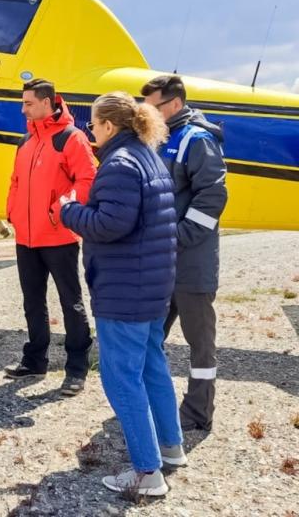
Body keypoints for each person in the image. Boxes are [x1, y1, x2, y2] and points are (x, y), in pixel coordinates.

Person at [60, 91, 184, 497]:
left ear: (109, 126)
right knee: (152, 366)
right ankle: (171, 447)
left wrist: (68, 211)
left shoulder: (118, 165)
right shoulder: (148, 158)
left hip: (124, 289)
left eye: (93, 123)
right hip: (151, 285)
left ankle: (147, 473)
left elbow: (109, 224)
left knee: (121, 377)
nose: (89, 130)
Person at [142, 75, 228, 431]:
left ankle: (197, 412)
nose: (144, 113)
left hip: (192, 262)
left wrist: (179, 236)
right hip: (162, 262)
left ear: (173, 105)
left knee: (199, 344)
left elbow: (213, 196)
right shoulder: (160, 139)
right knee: (150, 335)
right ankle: (152, 401)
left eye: (150, 107)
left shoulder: (198, 139)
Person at [4, 78, 96, 395]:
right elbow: (15, 181)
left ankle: (76, 369)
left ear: (47, 102)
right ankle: (35, 360)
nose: (23, 109)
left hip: (59, 237)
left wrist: (58, 210)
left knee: (70, 303)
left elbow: (87, 181)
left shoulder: (72, 138)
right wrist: (13, 211)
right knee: (32, 303)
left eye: (28, 103)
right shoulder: (25, 142)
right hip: (26, 239)